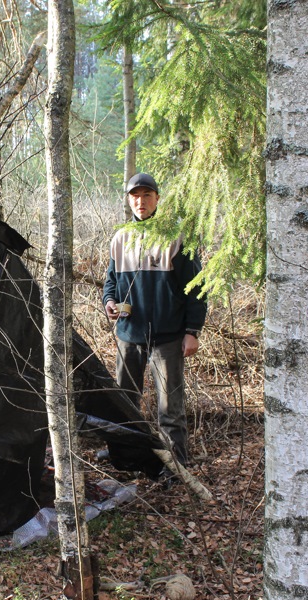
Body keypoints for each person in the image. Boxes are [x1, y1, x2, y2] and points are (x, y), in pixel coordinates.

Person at [102, 172, 207, 466]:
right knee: (125, 403)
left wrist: (192, 330)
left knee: (169, 409)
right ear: (129, 200)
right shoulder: (120, 238)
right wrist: (109, 302)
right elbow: (110, 282)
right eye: (135, 196)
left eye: (147, 195)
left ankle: (177, 469)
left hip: (168, 337)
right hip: (128, 335)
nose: (141, 201)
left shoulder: (176, 236)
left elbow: (196, 288)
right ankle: (129, 459)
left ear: (157, 199)